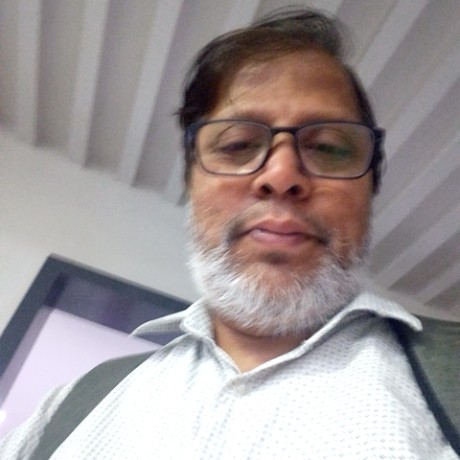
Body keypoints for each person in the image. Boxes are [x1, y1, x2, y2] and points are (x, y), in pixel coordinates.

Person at [0, 8, 458, 459]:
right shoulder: (70, 408)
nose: (281, 175)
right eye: (238, 145)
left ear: (370, 189)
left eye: (329, 147)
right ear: (191, 182)